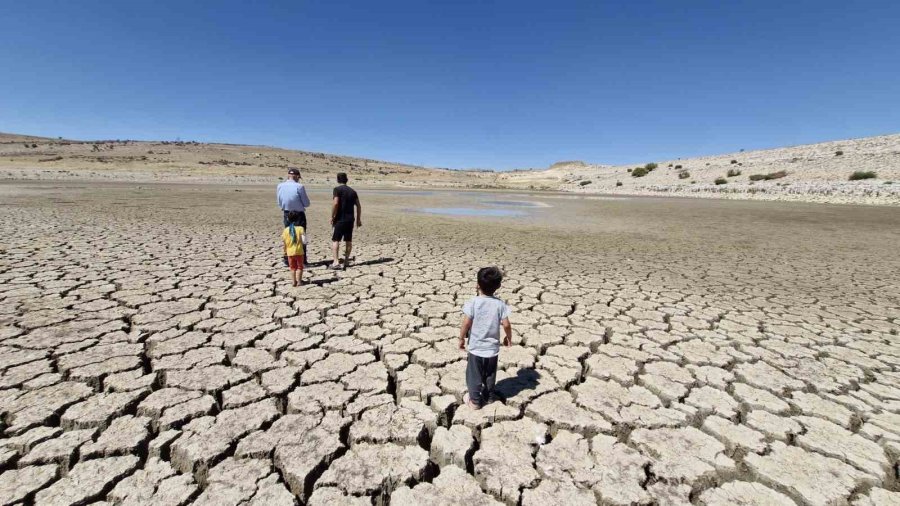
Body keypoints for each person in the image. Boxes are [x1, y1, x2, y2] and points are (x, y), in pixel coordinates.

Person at [458, 267, 512, 410]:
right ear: (498, 286)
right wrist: (508, 338)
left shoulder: (473, 303)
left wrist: (461, 338)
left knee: (474, 375)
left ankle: (475, 401)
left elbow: (466, 323)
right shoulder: (500, 304)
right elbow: (506, 324)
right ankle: (488, 397)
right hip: (492, 349)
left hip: (476, 348)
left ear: (477, 285)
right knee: (490, 375)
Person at [277, 167, 311, 266]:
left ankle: (287, 259)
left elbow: (279, 201)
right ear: (296, 176)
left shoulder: (280, 186)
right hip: (299, 214)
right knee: (301, 236)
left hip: (287, 213)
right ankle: (302, 260)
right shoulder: (299, 186)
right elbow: (306, 203)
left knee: (288, 235)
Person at [330, 172, 361, 269]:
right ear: (346, 180)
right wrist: (358, 219)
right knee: (348, 240)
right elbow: (359, 206)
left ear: (338, 180)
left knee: (336, 240)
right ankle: (346, 260)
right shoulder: (352, 191)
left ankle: (336, 262)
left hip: (340, 219)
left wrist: (332, 216)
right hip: (350, 220)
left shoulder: (337, 190)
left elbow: (335, 203)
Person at [281, 211, 307, 286]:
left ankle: (293, 282)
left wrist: (284, 251)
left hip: (290, 252)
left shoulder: (285, 230)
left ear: (288, 219)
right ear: (297, 219)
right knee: (300, 267)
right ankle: (299, 281)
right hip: (299, 251)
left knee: (292, 268)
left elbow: (284, 242)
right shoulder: (301, 228)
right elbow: (304, 241)